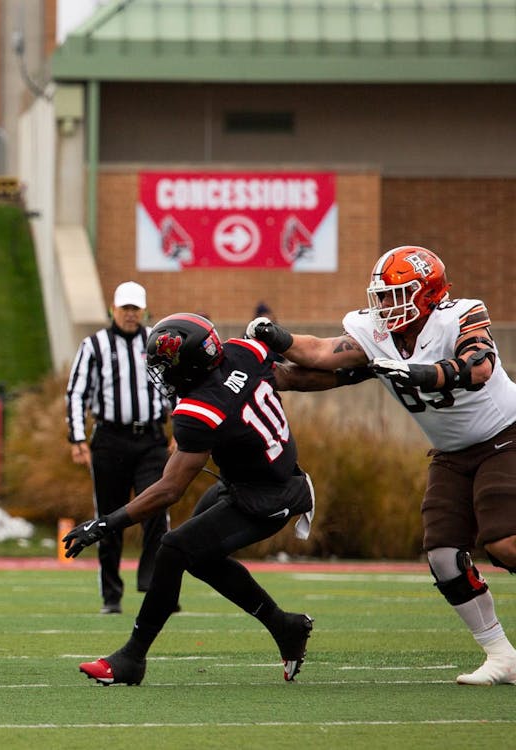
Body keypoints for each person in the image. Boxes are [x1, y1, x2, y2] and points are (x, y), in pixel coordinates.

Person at [247, 245, 516, 686]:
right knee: (444, 554)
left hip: (505, 436)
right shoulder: (376, 332)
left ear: (428, 294)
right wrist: (279, 339)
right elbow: (321, 354)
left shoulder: (461, 315)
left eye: (397, 295)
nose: (386, 307)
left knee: (503, 542)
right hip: (451, 453)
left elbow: (479, 365)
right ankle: (501, 654)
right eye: (383, 296)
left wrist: (425, 373)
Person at [63, 312, 351, 686]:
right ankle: (285, 626)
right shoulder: (242, 353)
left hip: (266, 499)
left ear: (189, 365)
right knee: (198, 558)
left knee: (174, 549)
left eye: (166, 367)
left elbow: (169, 489)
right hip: (257, 480)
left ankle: (132, 657)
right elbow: (294, 377)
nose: (162, 375)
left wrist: (105, 523)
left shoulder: (199, 410)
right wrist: (357, 374)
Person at [65, 281, 173, 614]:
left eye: (135, 308)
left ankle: (153, 583)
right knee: (108, 518)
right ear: (113, 309)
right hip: (110, 440)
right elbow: (76, 392)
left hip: (152, 438)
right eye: (124, 308)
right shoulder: (94, 344)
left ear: (144, 310)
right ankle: (112, 595)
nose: (129, 314)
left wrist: (182, 431)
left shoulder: (159, 340)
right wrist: (77, 437)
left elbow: (179, 384)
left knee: (156, 508)